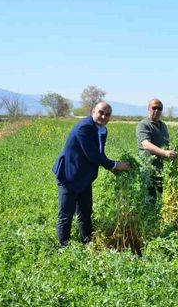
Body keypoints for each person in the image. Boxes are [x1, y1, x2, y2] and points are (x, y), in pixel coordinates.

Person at [52, 101, 131, 246]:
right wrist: (115, 165)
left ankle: (87, 242)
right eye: (101, 112)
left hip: (84, 177)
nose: (103, 116)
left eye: (107, 114)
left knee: (85, 211)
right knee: (66, 213)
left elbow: (100, 153)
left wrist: (111, 168)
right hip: (69, 175)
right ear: (93, 111)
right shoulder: (85, 127)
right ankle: (63, 246)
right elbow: (92, 155)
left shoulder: (102, 130)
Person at [136, 98, 176, 202]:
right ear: (149, 108)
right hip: (148, 167)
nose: (157, 110)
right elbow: (146, 144)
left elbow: (165, 145)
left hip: (161, 168)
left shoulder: (163, 125)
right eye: (154, 108)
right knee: (150, 197)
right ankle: (149, 217)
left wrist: (171, 153)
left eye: (159, 108)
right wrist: (164, 153)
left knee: (166, 196)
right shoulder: (144, 124)